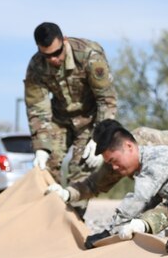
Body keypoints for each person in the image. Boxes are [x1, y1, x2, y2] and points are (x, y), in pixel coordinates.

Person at [45, 121, 168, 246]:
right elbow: (95, 185)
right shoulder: (134, 161)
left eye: (114, 160)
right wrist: (67, 193)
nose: (114, 167)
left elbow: (139, 198)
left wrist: (109, 232)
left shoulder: (153, 160)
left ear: (129, 146)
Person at [24, 22, 117, 188]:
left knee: (81, 167)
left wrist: (100, 137)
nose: (53, 59)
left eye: (57, 53)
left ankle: (73, 212)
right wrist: (42, 147)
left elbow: (106, 99)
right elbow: (37, 109)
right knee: (47, 167)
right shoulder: (36, 66)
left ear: (64, 40)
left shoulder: (89, 55)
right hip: (60, 120)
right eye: (47, 55)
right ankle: (51, 210)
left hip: (90, 119)